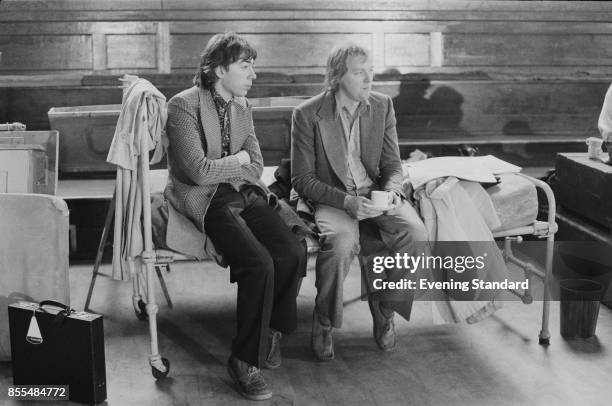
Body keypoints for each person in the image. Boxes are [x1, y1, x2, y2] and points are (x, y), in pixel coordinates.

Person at [164, 32, 304, 401]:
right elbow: (196, 173)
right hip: (204, 197)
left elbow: (256, 165)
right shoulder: (182, 106)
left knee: (291, 251)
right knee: (258, 264)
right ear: (218, 69)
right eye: (245, 66)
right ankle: (244, 360)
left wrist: (233, 165)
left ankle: (270, 329)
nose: (253, 75)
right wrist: (236, 162)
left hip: (242, 190)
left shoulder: (243, 106)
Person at [291, 43, 429, 361]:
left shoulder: (382, 105)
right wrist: (348, 203)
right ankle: (324, 321)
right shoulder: (308, 114)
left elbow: (393, 165)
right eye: (359, 73)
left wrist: (393, 192)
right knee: (341, 243)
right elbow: (302, 180)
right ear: (337, 77)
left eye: (371, 73)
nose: (369, 80)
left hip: (376, 193)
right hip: (333, 197)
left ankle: (384, 307)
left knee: (416, 234)